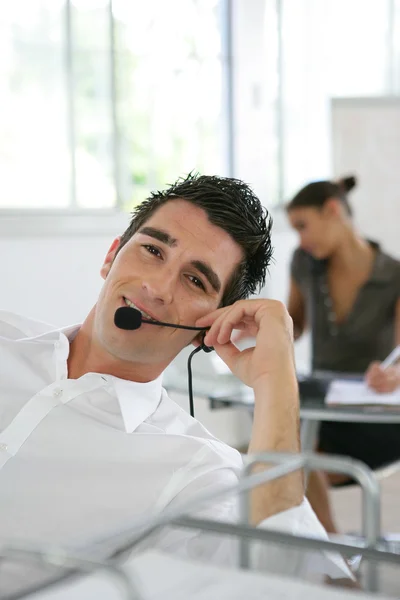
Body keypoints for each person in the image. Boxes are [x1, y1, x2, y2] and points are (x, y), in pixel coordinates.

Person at [0, 174, 351, 595]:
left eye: (195, 280)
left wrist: (275, 383)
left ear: (208, 330)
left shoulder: (196, 470)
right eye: (152, 250)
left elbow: (276, 579)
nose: (157, 288)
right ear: (112, 256)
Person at [286, 175, 400, 535]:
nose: (301, 239)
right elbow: (294, 325)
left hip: (373, 411)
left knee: (297, 451)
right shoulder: (304, 263)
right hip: (321, 407)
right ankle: (333, 551)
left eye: (303, 226)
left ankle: (331, 554)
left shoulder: (394, 275)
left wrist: (394, 375)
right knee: (289, 444)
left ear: (333, 210)